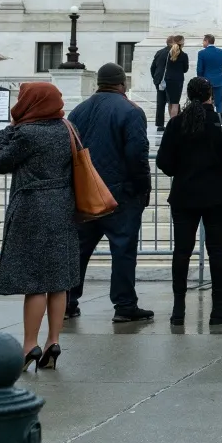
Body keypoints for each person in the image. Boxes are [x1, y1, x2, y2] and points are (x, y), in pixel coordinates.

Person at [0, 82, 83, 370]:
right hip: (63, 207)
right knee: (59, 281)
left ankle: (29, 345)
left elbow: (0, 163)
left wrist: (7, 129)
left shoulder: (26, 134)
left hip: (32, 208)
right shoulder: (67, 129)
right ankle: (53, 341)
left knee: (35, 282)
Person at [155, 76, 222, 326]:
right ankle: (217, 308)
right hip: (216, 196)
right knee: (216, 252)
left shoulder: (177, 123)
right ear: (210, 95)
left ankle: (178, 310)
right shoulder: (220, 121)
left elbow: (164, 162)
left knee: (182, 251)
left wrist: (180, 173)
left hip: (184, 195)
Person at [67, 63, 153, 324]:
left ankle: (68, 302)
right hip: (120, 194)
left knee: (79, 250)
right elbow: (137, 155)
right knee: (123, 250)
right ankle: (124, 304)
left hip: (85, 193)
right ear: (122, 84)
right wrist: (142, 188)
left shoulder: (78, 111)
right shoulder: (131, 111)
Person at [159, 35, 189, 128]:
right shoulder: (184, 55)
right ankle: (173, 124)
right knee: (175, 103)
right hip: (178, 80)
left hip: (168, 79)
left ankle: (171, 122)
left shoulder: (169, 53)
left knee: (170, 102)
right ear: (182, 43)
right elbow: (185, 69)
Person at [196, 33, 222, 115]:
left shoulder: (201, 53)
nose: (202, 43)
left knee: (206, 103)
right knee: (219, 103)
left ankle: (207, 120)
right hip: (219, 81)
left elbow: (199, 69)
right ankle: (220, 121)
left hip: (206, 82)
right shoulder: (221, 52)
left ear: (207, 41)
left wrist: (200, 80)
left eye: (203, 41)